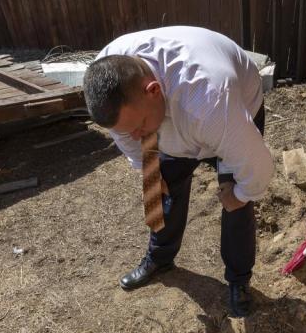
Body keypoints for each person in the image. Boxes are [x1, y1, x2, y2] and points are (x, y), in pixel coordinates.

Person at [82, 26, 273, 317]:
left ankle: (239, 280)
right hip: (180, 114)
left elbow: (257, 167)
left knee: (236, 206)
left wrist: (242, 193)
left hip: (233, 108)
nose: (133, 136)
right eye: (126, 131)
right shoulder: (111, 82)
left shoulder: (210, 99)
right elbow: (133, 141)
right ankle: (159, 257)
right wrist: (150, 170)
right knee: (157, 190)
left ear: (154, 90)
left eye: (138, 127)